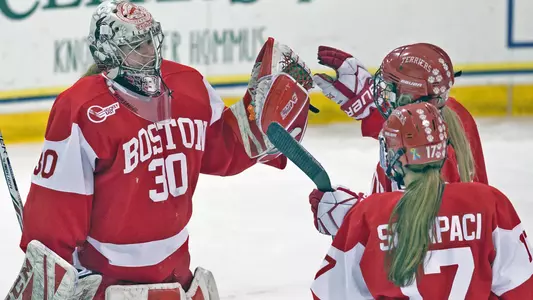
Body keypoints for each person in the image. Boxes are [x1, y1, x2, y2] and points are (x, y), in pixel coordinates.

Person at [6, 1, 312, 300]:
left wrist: (263, 122)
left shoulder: (189, 85)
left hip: (178, 276)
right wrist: (51, 269)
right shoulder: (82, 110)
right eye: (135, 45)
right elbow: (57, 209)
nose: (149, 51)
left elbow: (225, 149)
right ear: (108, 53)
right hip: (107, 282)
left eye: (150, 39)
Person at [310, 102, 533, 299]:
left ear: (393, 158)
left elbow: (329, 293)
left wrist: (350, 225)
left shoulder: (369, 215)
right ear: (444, 150)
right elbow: (523, 288)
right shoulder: (490, 202)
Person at [312, 43, 488, 193]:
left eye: (390, 87)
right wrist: (371, 112)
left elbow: (398, 223)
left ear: (409, 96)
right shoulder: (454, 115)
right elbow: (415, 130)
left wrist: (351, 215)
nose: (382, 93)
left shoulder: (417, 164)